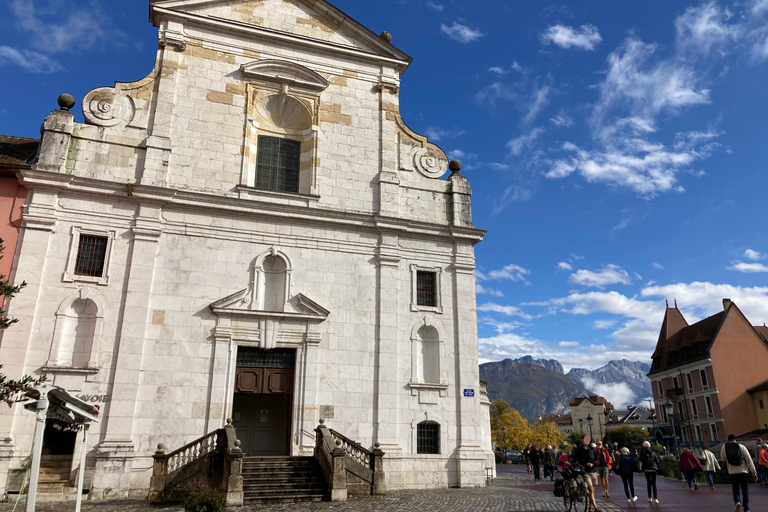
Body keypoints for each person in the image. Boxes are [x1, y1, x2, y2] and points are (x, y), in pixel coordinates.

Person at [720, 434, 758, 512]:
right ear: (735, 439)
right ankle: (746, 508)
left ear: (728, 439)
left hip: (732, 472)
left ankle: (737, 501)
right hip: (743, 471)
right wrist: (754, 473)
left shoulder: (725, 447)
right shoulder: (741, 446)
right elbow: (749, 460)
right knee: (745, 489)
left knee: (735, 488)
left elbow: (722, 458)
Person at [572, 434, 601, 512]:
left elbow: (597, 459)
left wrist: (593, 464)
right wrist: (572, 462)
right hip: (585, 471)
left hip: (593, 471)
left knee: (592, 492)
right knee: (591, 489)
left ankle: (590, 508)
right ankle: (595, 507)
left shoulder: (592, 449)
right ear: (582, 440)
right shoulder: (579, 450)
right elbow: (574, 458)